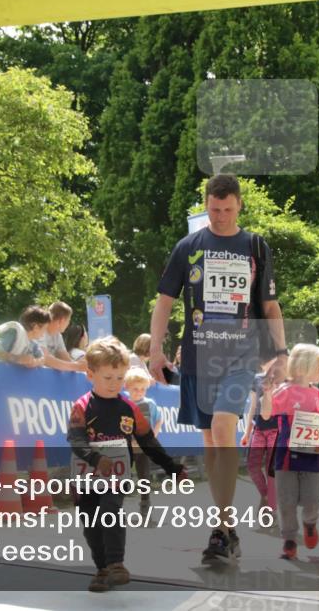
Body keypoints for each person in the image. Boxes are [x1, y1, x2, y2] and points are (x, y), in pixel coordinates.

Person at [149, 174, 287, 565]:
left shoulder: (256, 247)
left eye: (228, 209)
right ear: (206, 205)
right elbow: (163, 302)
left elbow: (272, 307)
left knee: (225, 428)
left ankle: (222, 528)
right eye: (214, 210)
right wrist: (156, 350)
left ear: (239, 205)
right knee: (211, 444)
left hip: (242, 358)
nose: (222, 217)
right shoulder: (188, 247)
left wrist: (282, 352)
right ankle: (227, 529)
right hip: (198, 360)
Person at [67, 337, 185, 592]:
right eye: (108, 378)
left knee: (111, 511)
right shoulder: (81, 406)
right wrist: (96, 459)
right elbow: (75, 440)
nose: (114, 384)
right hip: (85, 476)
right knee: (91, 525)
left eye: (119, 378)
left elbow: (147, 440)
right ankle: (101, 569)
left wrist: (171, 466)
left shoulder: (129, 407)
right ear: (90, 375)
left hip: (115, 476)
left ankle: (116, 564)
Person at [259, 343, 319, 560]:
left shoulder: (316, 395)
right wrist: (267, 394)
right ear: (304, 366)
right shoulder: (283, 391)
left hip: (311, 455)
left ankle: (310, 523)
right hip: (285, 456)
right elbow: (266, 415)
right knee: (286, 501)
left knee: (312, 499)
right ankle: (289, 539)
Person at [240, 360, 279, 516]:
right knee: (252, 466)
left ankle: (271, 507)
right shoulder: (256, 379)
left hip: (277, 430)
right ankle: (266, 495)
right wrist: (247, 431)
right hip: (259, 428)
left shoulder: (284, 380)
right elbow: (253, 405)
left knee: (272, 469)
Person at [124, 366, 163, 513]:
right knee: (123, 474)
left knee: (144, 474)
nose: (139, 392)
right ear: (127, 387)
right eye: (135, 389)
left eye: (143, 389)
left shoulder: (149, 404)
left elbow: (159, 420)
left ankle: (145, 504)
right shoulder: (123, 403)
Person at [43, 301, 86, 372]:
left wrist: (80, 365)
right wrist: (77, 366)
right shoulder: (40, 331)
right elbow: (45, 359)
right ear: (62, 320)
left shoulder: (57, 335)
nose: (68, 324)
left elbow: (64, 358)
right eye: (68, 320)